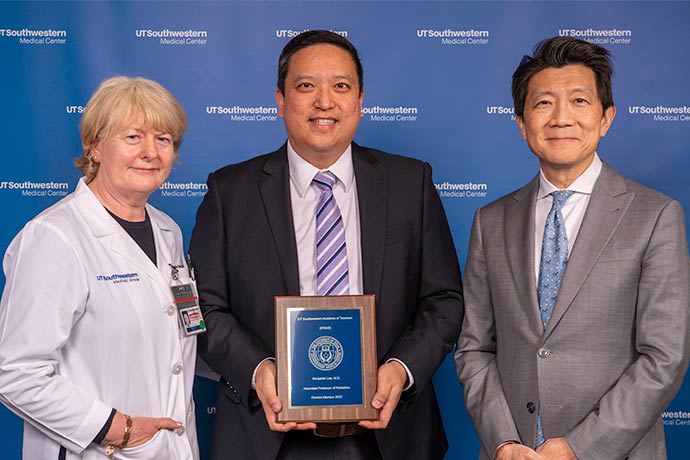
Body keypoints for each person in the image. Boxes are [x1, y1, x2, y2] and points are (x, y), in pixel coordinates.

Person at [189, 30, 463, 459]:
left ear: (359, 99)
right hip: (266, 435)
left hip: (388, 436)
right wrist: (259, 371)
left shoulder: (411, 183)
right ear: (280, 100)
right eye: (305, 86)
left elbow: (444, 299)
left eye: (341, 86)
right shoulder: (229, 192)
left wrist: (401, 370)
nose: (324, 101)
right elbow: (202, 308)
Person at [455, 36, 690, 460]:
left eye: (579, 101)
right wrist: (503, 442)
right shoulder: (490, 221)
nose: (561, 118)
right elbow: (474, 347)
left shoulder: (656, 215)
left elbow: (664, 358)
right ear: (522, 122)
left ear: (606, 117)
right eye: (543, 103)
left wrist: (580, 447)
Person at [0, 76, 200, 459]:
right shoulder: (55, 237)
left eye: (163, 139)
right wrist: (117, 429)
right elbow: (15, 372)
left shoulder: (168, 231)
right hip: (100, 450)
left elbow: (176, 335)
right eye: (132, 137)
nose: (150, 152)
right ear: (95, 147)